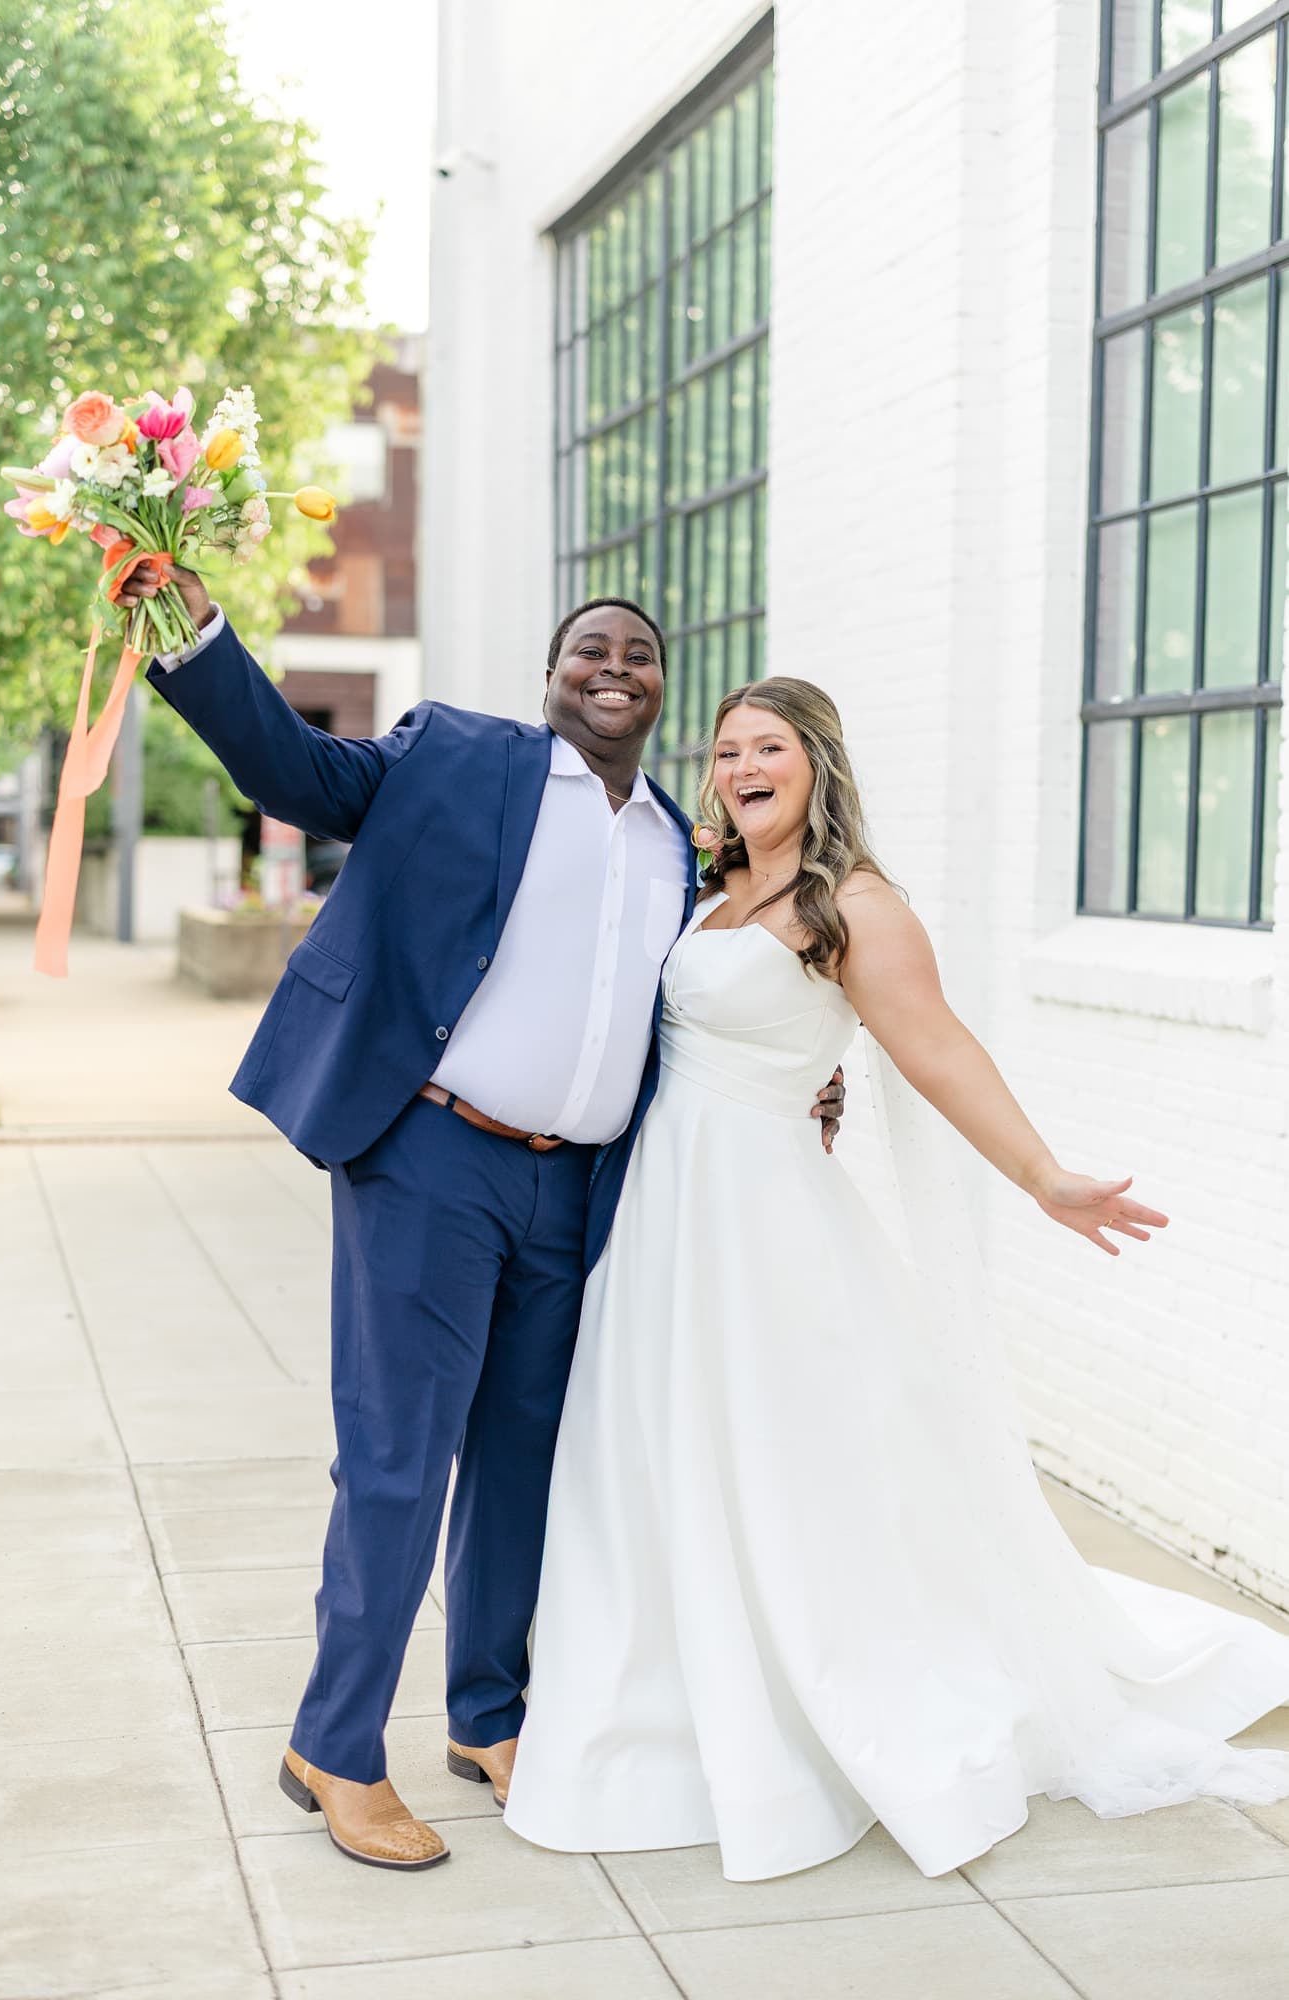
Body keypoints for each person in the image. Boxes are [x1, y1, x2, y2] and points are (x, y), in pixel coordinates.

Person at [504, 675, 1289, 1883]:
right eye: (723, 749)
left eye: (767, 745)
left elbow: (936, 1049)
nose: (739, 764)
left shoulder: (854, 904)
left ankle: (813, 1698)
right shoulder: (708, 892)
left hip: (761, 1218)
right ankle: (656, 1700)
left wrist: (1042, 1173)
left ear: (815, 763)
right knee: (658, 1449)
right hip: (663, 1211)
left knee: (777, 1460)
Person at [123, 559, 845, 1872]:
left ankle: (489, 1715)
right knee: (398, 1459)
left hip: (575, 1189)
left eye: (638, 652)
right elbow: (294, 770)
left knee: (519, 1464)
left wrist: (820, 1072)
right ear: (554, 676)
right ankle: (335, 1745)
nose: (614, 666)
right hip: (432, 1160)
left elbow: (714, 992)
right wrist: (197, 631)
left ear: (661, 687)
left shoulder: (677, 844)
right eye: (589, 650)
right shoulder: (462, 756)